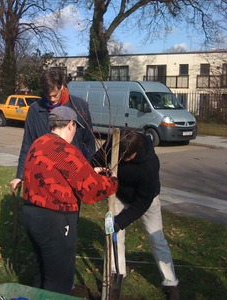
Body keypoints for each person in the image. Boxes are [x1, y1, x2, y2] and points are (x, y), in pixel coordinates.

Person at [22, 106, 118, 295]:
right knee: (59, 281)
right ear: (71, 125)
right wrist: (113, 182)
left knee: (42, 272)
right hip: (54, 220)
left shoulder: (39, 143)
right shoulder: (65, 150)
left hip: (31, 215)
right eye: (75, 127)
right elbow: (91, 191)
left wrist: (92, 172)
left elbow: (62, 172)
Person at [93, 129, 179, 300]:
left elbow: (142, 203)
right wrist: (99, 169)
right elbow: (97, 158)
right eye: (121, 156)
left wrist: (121, 221)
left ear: (136, 151)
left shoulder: (149, 165)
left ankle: (171, 284)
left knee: (156, 238)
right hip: (118, 195)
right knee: (114, 237)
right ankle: (117, 275)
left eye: (127, 158)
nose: (123, 160)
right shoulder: (117, 141)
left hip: (147, 201)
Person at [10, 68, 95, 190]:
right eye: (47, 95)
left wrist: (87, 171)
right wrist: (20, 175)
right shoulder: (35, 111)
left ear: (61, 87)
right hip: (45, 175)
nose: (52, 99)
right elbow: (28, 144)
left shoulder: (80, 107)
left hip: (73, 175)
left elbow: (89, 142)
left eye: (55, 95)